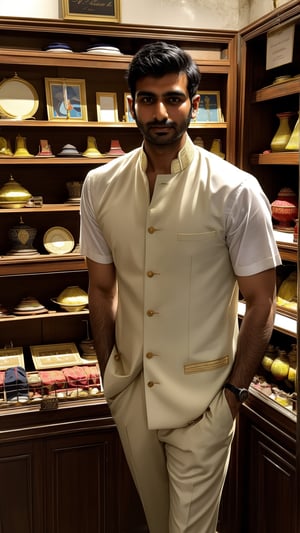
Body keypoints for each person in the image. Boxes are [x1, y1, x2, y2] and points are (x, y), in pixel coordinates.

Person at [80, 41, 281, 533]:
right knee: (157, 523)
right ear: (132, 104)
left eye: (173, 97)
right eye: (147, 99)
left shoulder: (234, 190)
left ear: (195, 100)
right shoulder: (100, 185)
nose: (160, 111)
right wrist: (111, 375)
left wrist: (232, 396)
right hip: (132, 396)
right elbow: (101, 287)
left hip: (204, 404)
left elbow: (261, 301)